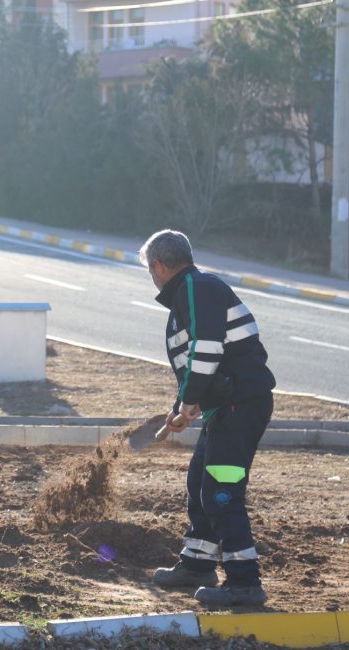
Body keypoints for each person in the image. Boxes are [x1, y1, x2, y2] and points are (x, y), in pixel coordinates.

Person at [141, 229, 276, 608]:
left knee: (222, 493)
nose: (151, 277)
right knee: (200, 481)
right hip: (227, 406)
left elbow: (207, 349)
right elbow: (199, 367)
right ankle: (197, 564)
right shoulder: (190, 294)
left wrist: (188, 403)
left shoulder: (197, 290)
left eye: (150, 271)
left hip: (241, 406)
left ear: (159, 266)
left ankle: (245, 582)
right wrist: (183, 404)